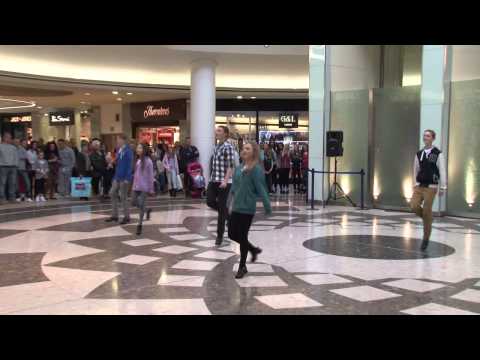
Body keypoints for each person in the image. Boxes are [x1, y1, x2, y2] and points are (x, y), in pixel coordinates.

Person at [228, 141, 272, 279]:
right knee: (231, 234)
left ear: (253, 152)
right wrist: (230, 203)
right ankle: (253, 249)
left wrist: (267, 205)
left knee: (242, 235)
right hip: (236, 207)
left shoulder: (256, 169)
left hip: (247, 208)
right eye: (243, 148)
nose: (244, 150)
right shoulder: (239, 168)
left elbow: (261, 188)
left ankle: (242, 266)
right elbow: (234, 188)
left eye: (248, 148)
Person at [410, 129, 447, 251]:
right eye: (424, 135)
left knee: (426, 210)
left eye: (428, 136)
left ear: (433, 138)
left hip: (431, 187)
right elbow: (415, 169)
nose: (425, 137)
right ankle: (429, 218)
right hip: (419, 186)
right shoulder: (419, 153)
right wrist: (414, 183)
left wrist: (443, 186)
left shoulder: (437, 153)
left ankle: (425, 239)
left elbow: (442, 170)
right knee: (414, 206)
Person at [207, 126, 235, 245]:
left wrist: (225, 180)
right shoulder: (216, 147)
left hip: (224, 182)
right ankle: (228, 216)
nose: (216, 132)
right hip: (213, 180)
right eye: (216, 130)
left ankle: (219, 236)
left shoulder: (228, 147)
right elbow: (213, 164)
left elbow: (231, 165)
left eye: (219, 131)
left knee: (221, 209)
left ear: (225, 134)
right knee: (210, 201)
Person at [106, 134, 133, 224]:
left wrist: (127, 178)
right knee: (112, 193)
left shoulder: (128, 151)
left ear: (123, 140)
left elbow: (130, 165)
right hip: (117, 176)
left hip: (124, 177)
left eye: (118, 140)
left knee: (123, 197)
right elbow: (117, 161)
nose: (117, 141)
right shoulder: (119, 150)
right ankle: (115, 215)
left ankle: (127, 216)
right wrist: (111, 162)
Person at [132, 144, 154, 235]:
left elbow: (151, 175)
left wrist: (151, 188)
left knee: (141, 204)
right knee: (133, 202)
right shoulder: (138, 160)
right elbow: (136, 174)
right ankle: (147, 210)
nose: (137, 149)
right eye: (137, 147)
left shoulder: (149, 161)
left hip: (144, 187)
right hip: (136, 186)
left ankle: (139, 225)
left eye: (140, 148)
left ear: (144, 150)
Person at [0, 132, 19, 204]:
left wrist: (16, 165)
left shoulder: (13, 147)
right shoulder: (0, 146)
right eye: (8, 137)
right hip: (3, 166)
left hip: (13, 167)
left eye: (10, 137)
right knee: (2, 183)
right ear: (4, 137)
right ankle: (2, 198)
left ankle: (12, 198)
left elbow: (16, 157)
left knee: (12, 183)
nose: (10, 139)